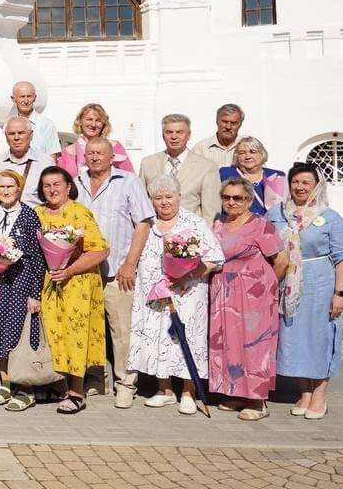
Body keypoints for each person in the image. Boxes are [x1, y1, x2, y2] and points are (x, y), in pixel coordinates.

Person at [127, 175, 222, 415]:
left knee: (186, 337)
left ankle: (188, 392)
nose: (164, 202)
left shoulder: (194, 222)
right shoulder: (147, 225)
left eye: (169, 197)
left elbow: (214, 258)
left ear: (179, 197)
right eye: (158, 198)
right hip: (154, 294)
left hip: (187, 293)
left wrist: (186, 276)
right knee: (158, 336)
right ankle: (165, 390)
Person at [75, 137, 154, 405]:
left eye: (100, 153)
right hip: (85, 271)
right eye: (90, 153)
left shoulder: (129, 182)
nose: (95, 157)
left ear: (112, 157)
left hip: (118, 270)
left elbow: (143, 224)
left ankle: (126, 383)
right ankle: (96, 379)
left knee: (121, 331)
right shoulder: (77, 182)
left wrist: (130, 263)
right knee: (88, 328)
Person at [271, 163, 343, 420]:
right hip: (288, 284)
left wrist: (340, 294)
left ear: (316, 185)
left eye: (306, 182)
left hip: (318, 282)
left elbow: (342, 258)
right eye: (295, 182)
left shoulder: (329, 217)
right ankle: (304, 392)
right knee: (293, 337)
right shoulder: (277, 213)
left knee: (319, 337)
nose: (300, 187)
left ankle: (320, 394)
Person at [211, 177, 288, 421]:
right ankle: (235, 394)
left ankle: (257, 401)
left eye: (238, 198)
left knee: (254, 346)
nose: (232, 202)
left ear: (248, 200)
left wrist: (265, 287)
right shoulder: (218, 224)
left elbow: (282, 261)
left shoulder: (261, 225)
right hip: (223, 292)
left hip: (254, 294)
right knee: (230, 342)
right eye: (227, 197)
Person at [35, 166, 109, 415]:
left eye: (57, 184)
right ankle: (57, 384)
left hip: (77, 283)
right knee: (52, 334)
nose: (52, 190)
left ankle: (77, 392)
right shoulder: (37, 213)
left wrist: (69, 270)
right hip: (48, 282)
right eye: (47, 185)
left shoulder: (79, 212)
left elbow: (100, 250)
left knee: (74, 334)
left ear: (69, 186)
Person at [0, 170, 45, 412]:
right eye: (2, 187)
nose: (6, 191)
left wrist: (35, 293)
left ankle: (26, 387)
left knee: (19, 334)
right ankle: (5, 382)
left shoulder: (29, 215)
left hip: (21, 281)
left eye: (11, 186)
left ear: (19, 188)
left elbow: (38, 258)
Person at [139, 114, 221, 222]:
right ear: (163, 135)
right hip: (154, 232)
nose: (174, 137)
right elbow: (140, 205)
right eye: (169, 132)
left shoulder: (206, 167)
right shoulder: (147, 163)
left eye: (179, 132)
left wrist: (205, 236)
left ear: (189, 135)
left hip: (191, 234)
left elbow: (211, 213)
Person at [0, 117, 54, 209]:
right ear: (6, 137)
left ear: (31, 135)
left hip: (35, 219)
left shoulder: (45, 162)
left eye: (21, 133)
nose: (16, 138)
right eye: (11, 134)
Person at [57, 103, 134, 178]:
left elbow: (131, 178)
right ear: (80, 121)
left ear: (103, 124)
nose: (93, 124)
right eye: (89, 119)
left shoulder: (115, 147)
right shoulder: (66, 153)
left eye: (98, 120)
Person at [219, 136, 285, 216]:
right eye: (242, 153)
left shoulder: (276, 176)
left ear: (262, 154)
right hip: (237, 224)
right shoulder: (226, 173)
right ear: (237, 156)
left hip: (269, 225)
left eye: (252, 152)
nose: (247, 156)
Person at [9, 81, 61, 159]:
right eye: (22, 96)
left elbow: (52, 159)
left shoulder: (46, 125)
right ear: (13, 99)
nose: (26, 101)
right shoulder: (8, 125)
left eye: (29, 96)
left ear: (35, 98)